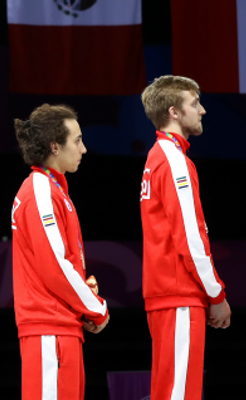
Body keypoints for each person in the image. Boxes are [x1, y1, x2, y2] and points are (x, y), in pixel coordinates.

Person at [139, 75, 230, 400]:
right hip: (178, 292)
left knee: (171, 390)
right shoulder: (174, 160)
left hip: (169, 293)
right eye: (195, 104)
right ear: (174, 112)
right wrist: (216, 294)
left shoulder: (157, 156)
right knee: (178, 394)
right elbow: (189, 238)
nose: (203, 110)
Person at [10, 104, 110, 399]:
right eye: (77, 140)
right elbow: (55, 266)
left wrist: (82, 294)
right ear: (55, 146)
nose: (84, 149)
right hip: (49, 329)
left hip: (61, 327)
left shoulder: (54, 190)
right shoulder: (40, 191)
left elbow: (60, 263)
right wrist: (96, 307)